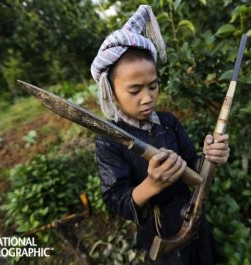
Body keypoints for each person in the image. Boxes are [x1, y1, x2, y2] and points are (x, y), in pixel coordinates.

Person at [91, 5, 229, 265]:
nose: (147, 98)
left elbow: (193, 170)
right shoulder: (109, 139)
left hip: (193, 217)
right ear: (110, 91)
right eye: (135, 90)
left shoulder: (167, 122)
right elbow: (116, 199)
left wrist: (212, 158)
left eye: (153, 86)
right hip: (160, 233)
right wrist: (152, 184)